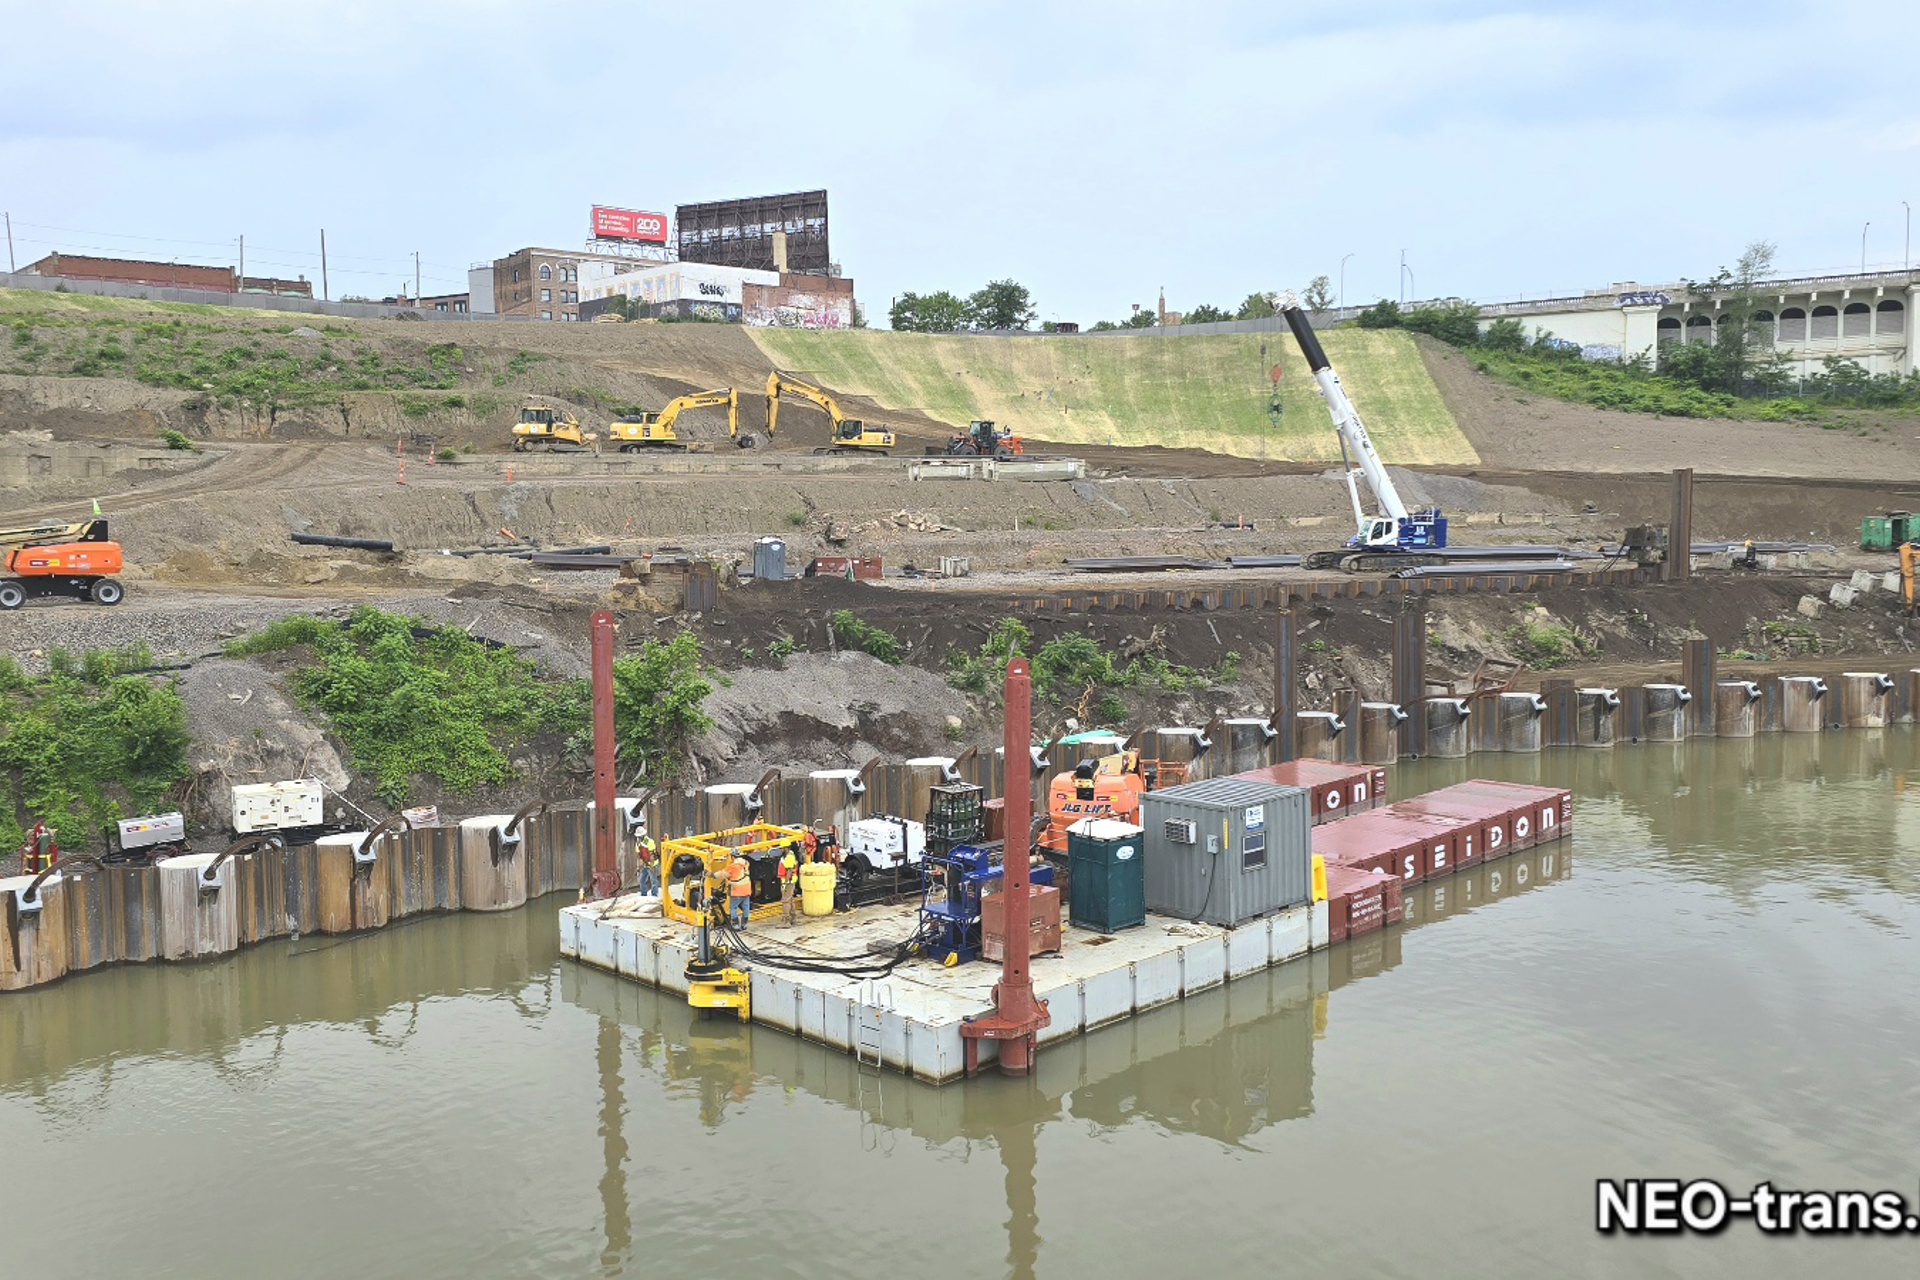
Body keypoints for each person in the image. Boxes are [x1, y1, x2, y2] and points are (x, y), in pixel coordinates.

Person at [727, 853, 753, 928]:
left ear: (732, 857)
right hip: (747, 890)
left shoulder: (733, 866)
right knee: (746, 907)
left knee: (733, 907)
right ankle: (744, 925)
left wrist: (712, 874)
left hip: (737, 891)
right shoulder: (746, 863)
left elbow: (723, 874)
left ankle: (735, 925)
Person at [778, 843, 801, 926]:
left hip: (788, 882)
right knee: (790, 900)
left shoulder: (789, 857)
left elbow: (789, 871)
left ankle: (786, 921)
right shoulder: (790, 856)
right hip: (790, 881)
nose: (781, 850)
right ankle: (793, 918)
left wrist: (785, 883)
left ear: (786, 848)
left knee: (785, 901)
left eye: (782, 848)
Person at [636, 833, 660, 897]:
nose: (638, 838)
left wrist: (651, 866)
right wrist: (641, 863)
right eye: (638, 836)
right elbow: (639, 854)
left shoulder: (650, 842)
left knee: (653, 880)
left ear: (643, 836)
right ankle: (643, 895)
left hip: (653, 864)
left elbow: (652, 855)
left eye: (639, 836)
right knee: (642, 880)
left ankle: (654, 895)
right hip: (645, 864)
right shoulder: (638, 843)